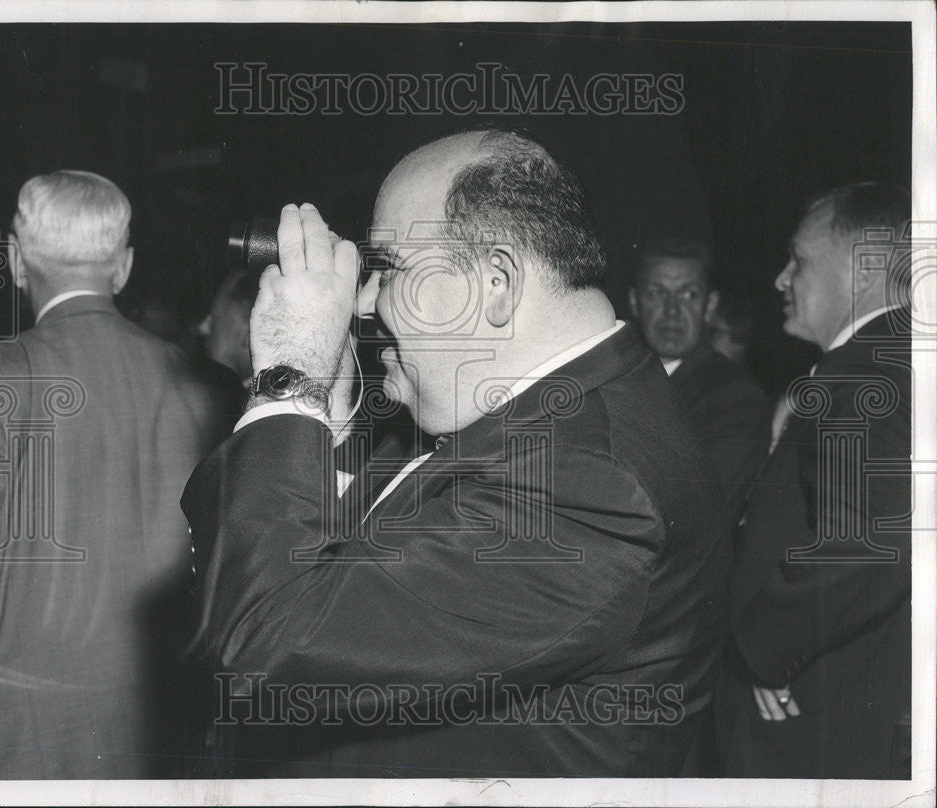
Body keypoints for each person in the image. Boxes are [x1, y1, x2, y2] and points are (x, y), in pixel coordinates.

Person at [182, 127, 730, 777]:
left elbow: (263, 652)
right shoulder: (515, 414)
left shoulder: (592, 484)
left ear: (495, 283)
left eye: (386, 269)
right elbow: (316, 568)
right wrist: (318, 415)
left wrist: (288, 379)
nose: (363, 303)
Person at [0, 170, 230, 778]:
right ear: (123, 266)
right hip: (163, 730)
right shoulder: (207, 387)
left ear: (15, 260)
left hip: (19, 738)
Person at [717, 182, 912, 778]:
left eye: (798, 260)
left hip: (809, 707)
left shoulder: (855, 381)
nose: (781, 279)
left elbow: (863, 547)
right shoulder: (895, 359)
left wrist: (762, 650)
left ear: (861, 269)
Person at [628, 237, 769, 526]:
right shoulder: (612, 379)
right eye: (657, 293)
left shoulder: (734, 397)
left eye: (688, 294)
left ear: (710, 305)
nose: (671, 311)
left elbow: (696, 518)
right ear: (634, 301)